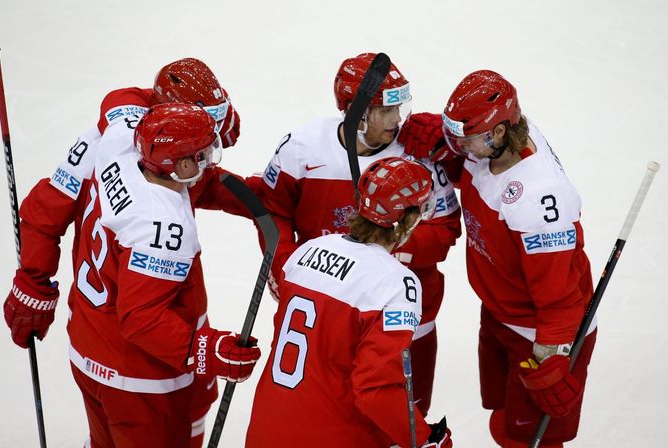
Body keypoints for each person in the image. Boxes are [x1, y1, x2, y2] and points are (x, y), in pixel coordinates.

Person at [2, 57, 248, 447]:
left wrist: (33, 279)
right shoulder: (160, 220)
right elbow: (143, 319)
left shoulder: (119, 136)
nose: (214, 137)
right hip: (145, 368)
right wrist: (206, 349)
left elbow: (42, 209)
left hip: (91, 343)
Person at [256, 52, 461, 416]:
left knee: (401, 417)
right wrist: (284, 265)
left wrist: (383, 254)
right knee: (329, 416)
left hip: (404, 314)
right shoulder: (301, 148)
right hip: (330, 309)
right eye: (386, 110)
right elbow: (273, 210)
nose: (398, 120)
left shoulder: (420, 156)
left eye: (400, 108)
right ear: (357, 112)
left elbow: (445, 229)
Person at [400, 70, 597, 447]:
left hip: (537, 332)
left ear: (500, 133)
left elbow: (559, 292)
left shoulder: (538, 198)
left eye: (465, 137)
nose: (457, 144)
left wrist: (551, 353)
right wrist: (441, 143)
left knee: (526, 439)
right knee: (500, 417)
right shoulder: (492, 144)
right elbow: (474, 169)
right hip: (499, 310)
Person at [63, 103, 260, 447]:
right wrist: (208, 350)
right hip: (136, 381)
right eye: (201, 155)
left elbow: (119, 99)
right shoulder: (164, 228)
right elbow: (141, 319)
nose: (209, 161)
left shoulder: (120, 147)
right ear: (181, 165)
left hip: (87, 349)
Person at [246, 157, 452, 447]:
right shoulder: (397, 283)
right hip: (334, 434)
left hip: (267, 428)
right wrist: (423, 438)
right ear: (407, 218)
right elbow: (375, 388)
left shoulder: (308, 251)